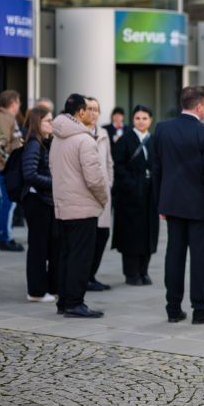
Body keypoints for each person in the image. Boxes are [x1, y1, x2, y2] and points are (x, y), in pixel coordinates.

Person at [153, 85, 204, 325]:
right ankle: (200, 309)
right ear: (199, 106)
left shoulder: (162, 129)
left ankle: (173, 308)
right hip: (199, 207)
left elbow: (157, 168)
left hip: (172, 204)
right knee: (199, 258)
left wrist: (160, 204)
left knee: (174, 255)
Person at [50, 94, 109, 318]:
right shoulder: (84, 140)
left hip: (63, 205)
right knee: (80, 257)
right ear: (81, 112)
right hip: (83, 207)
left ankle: (64, 301)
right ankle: (75, 302)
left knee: (65, 255)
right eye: (88, 110)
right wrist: (103, 198)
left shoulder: (57, 137)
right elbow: (94, 178)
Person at [112, 105, 159, 286]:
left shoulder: (154, 140)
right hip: (130, 196)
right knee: (131, 234)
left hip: (150, 194)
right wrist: (132, 184)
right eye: (138, 118)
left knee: (148, 233)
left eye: (145, 118)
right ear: (133, 120)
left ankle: (143, 271)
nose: (141, 121)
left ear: (150, 120)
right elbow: (118, 166)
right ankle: (131, 273)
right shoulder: (125, 140)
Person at [21, 106, 57, 303]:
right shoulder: (34, 144)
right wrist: (55, 183)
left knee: (44, 246)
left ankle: (44, 288)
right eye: (48, 120)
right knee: (38, 247)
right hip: (36, 200)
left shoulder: (44, 142)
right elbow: (30, 174)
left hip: (44, 200)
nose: (52, 124)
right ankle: (35, 291)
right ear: (37, 122)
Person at [0, 89, 24, 252]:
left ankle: (4, 236)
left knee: (8, 203)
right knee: (7, 203)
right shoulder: (2, 118)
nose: (20, 105)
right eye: (18, 102)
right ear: (12, 103)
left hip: (5, 167)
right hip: (2, 167)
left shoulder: (7, 118)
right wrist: (12, 164)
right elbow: (2, 144)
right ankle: (4, 237)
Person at [85, 97, 114, 292]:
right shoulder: (78, 133)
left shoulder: (103, 133)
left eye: (96, 109)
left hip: (103, 196)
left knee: (102, 235)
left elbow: (109, 163)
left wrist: (108, 184)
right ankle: (83, 277)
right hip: (85, 197)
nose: (93, 113)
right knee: (88, 237)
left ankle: (91, 275)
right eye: (89, 109)